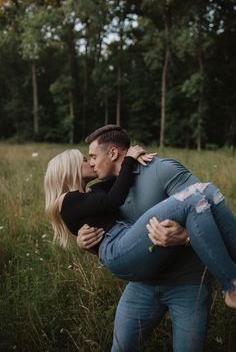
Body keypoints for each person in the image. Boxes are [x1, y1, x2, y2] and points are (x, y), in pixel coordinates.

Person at [44, 125, 236, 352]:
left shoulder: (161, 170)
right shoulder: (101, 191)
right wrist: (83, 242)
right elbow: (102, 218)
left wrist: (185, 237)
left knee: (204, 192)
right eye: (88, 159)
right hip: (143, 283)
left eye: (93, 156)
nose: (92, 162)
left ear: (113, 153)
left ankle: (232, 285)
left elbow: (204, 207)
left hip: (187, 282)